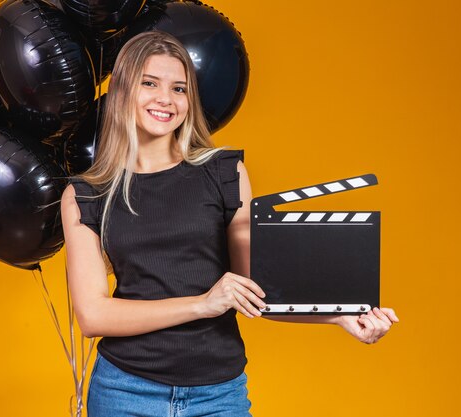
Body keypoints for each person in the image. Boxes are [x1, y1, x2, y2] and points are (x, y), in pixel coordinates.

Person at [60, 31, 399, 417]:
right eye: (149, 83)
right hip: (123, 391)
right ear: (121, 89)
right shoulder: (87, 195)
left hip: (218, 395)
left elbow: (258, 288)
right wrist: (203, 304)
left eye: (179, 89)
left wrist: (338, 314)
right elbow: (92, 315)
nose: (165, 100)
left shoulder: (224, 173)